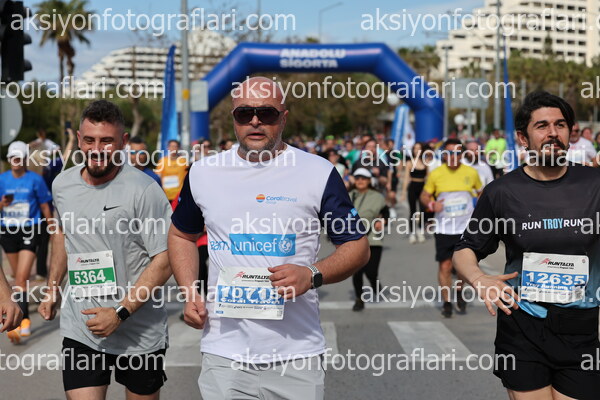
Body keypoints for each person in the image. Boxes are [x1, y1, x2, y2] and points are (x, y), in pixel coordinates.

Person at [168, 76, 369, 400]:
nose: (255, 121)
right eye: (244, 113)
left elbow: (357, 246)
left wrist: (312, 274)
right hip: (224, 353)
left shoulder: (318, 172)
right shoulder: (204, 173)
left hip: (296, 354)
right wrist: (189, 291)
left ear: (283, 118)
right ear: (233, 117)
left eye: (266, 113)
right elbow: (181, 235)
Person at [454, 91, 600, 400]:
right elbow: (465, 249)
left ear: (570, 133)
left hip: (582, 328)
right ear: (523, 137)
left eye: (560, 125)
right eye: (542, 126)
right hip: (523, 325)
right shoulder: (502, 192)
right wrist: (479, 279)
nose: (553, 133)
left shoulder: (594, 183)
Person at [38, 100, 172, 400]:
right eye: (89, 140)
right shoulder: (62, 184)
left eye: (106, 141)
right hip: (81, 327)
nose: (97, 149)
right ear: (79, 139)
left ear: (123, 142)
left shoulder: (144, 190)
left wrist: (121, 312)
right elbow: (63, 235)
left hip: (139, 331)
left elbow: (165, 258)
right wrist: (52, 289)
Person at [420, 139, 482, 318]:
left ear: (462, 154)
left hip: (465, 229)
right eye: (449, 153)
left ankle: (459, 291)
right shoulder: (436, 173)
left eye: (457, 153)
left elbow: (482, 192)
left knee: (463, 267)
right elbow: (424, 195)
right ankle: (447, 302)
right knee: (445, 265)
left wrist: (480, 208)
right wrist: (431, 204)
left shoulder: (471, 172)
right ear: (444, 155)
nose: (453, 156)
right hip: (444, 229)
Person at [0, 141, 53, 343]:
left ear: (24, 159)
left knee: (22, 278)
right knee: (16, 279)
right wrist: (2, 204)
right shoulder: (2, 179)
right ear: (9, 159)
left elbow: (45, 206)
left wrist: (53, 229)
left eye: (19, 157)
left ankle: (23, 321)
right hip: (8, 231)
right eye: (12, 157)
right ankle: (20, 314)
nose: (16, 161)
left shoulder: (35, 179)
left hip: (30, 229)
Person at [349, 168, 388, 311]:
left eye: (363, 178)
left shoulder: (377, 197)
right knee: (357, 271)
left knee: (371, 272)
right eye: (357, 178)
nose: (360, 181)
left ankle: (374, 283)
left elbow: (385, 212)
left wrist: (382, 221)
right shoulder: (348, 195)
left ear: (369, 180)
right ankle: (359, 299)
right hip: (354, 239)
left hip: (373, 238)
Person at [401, 142, 429, 244]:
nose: (417, 150)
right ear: (413, 150)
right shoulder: (409, 162)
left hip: (423, 187)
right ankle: (412, 233)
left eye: (419, 148)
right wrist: (403, 193)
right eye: (415, 148)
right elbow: (406, 178)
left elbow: (428, 177)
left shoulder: (426, 162)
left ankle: (420, 231)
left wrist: (429, 192)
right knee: (413, 211)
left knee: (423, 211)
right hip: (412, 187)